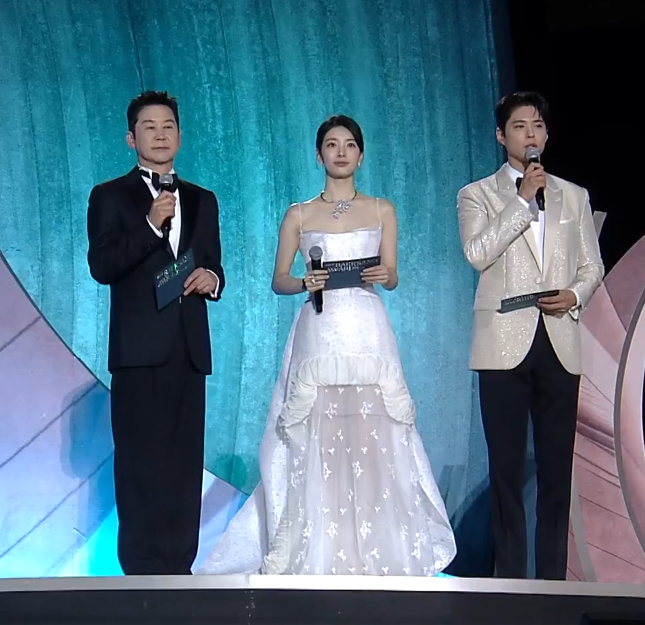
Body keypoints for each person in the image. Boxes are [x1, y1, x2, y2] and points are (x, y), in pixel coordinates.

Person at [198, 115, 456, 576]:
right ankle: (316, 547)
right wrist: (303, 281)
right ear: (319, 155)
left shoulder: (382, 209)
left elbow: (392, 275)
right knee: (316, 432)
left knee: (375, 431)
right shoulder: (299, 214)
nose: (341, 152)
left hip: (367, 328)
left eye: (349, 144)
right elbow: (279, 279)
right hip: (319, 326)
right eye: (332, 145)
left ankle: (379, 549)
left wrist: (385, 274)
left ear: (361, 154)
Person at [457, 91, 604, 580]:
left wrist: (575, 294)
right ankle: (512, 584)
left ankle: (554, 585)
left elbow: (592, 265)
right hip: (502, 341)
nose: (531, 134)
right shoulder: (477, 194)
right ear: (502, 136)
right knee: (507, 473)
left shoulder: (573, 196)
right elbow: (478, 253)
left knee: (557, 472)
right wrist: (521, 201)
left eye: (537, 126)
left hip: (559, 339)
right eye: (520, 126)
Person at [87, 91, 225, 575]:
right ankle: (141, 571)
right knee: (140, 463)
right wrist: (149, 225)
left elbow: (211, 261)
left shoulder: (203, 200)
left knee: (184, 465)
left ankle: (179, 567)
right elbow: (102, 265)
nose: (160, 134)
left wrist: (213, 280)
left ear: (180, 136)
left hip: (188, 348)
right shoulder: (109, 196)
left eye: (168, 126)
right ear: (132, 139)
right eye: (149, 127)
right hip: (138, 351)